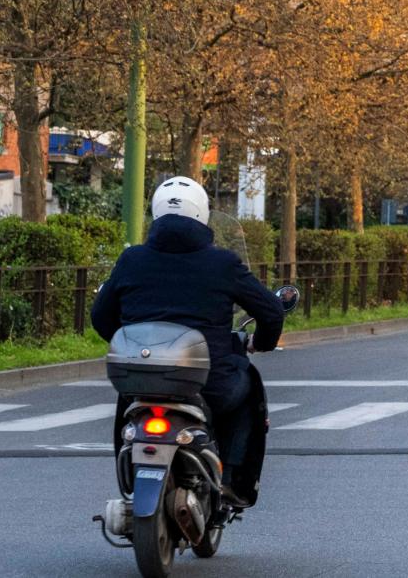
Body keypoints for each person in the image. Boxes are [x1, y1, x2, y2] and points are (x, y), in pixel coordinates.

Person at [92, 175, 286, 492]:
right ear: (202, 213)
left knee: (127, 404)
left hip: (140, 378)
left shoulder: (132, 259)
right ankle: (233, 479)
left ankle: (128, 474)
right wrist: (260, 342)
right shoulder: (222, 263)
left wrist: (131, 344)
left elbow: (100, 318)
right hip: (209, 383)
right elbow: (272, 311)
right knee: (248, 386)